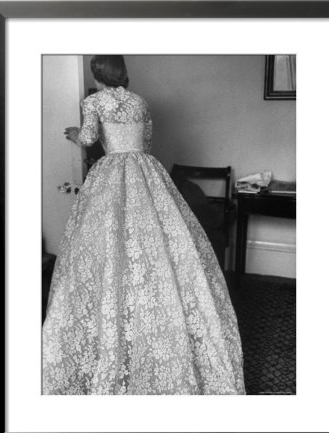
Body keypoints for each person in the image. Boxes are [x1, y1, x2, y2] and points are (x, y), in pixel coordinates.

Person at [43, 55, 245, 395]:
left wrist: (77, 134)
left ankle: (117, 319)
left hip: (111, 173)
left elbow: (90, 138)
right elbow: (146, 142)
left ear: (98, 74)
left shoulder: (93, 100)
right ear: (122, 72)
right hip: (146, 170)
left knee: (110, 247)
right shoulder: (140, 101)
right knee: (155, 251)